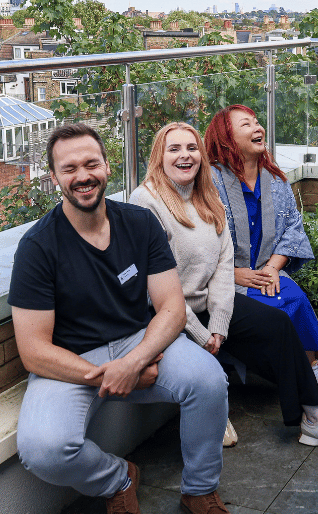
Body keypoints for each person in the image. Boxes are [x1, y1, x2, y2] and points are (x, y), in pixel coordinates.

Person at [8, 123, 231, 514]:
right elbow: (33, 351)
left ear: (107, 166)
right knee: (43, 450)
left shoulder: (139, 223)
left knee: (209, 380)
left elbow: (172, 307)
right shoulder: (37, 247)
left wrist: (133, 362)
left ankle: (199, 489)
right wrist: (111, 376)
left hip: (136, 340)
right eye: (69, 168)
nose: (83, 176)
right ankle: (118, 479)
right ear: (54, 177)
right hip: (70, 359)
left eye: (91, 164)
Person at [130, 122, 318, 456]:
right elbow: (158, 289)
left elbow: (223, 265)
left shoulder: (207, 195)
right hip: (165, 312)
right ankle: (212, 408)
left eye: (192, 148)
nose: (185, 156)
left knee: (279, 324)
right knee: (203, 357)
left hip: (205, 303)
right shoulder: (146, 202)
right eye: (174, 149)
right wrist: (202, 334)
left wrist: (219, 324)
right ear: (158, 157)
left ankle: (314, 418)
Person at [203, 105, 318, 402]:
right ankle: (288, 370)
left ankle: (311, 366)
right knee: (268, 313)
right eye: (246, 124)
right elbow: (199, 239)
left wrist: (273, 267)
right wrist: (232, 274)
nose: (258, 127)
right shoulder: (210, 181)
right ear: (226, 137)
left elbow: (293, 227)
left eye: (257, 122)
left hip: (266, 271)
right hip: (226, 277)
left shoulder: (275, 179)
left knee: (294, 298)